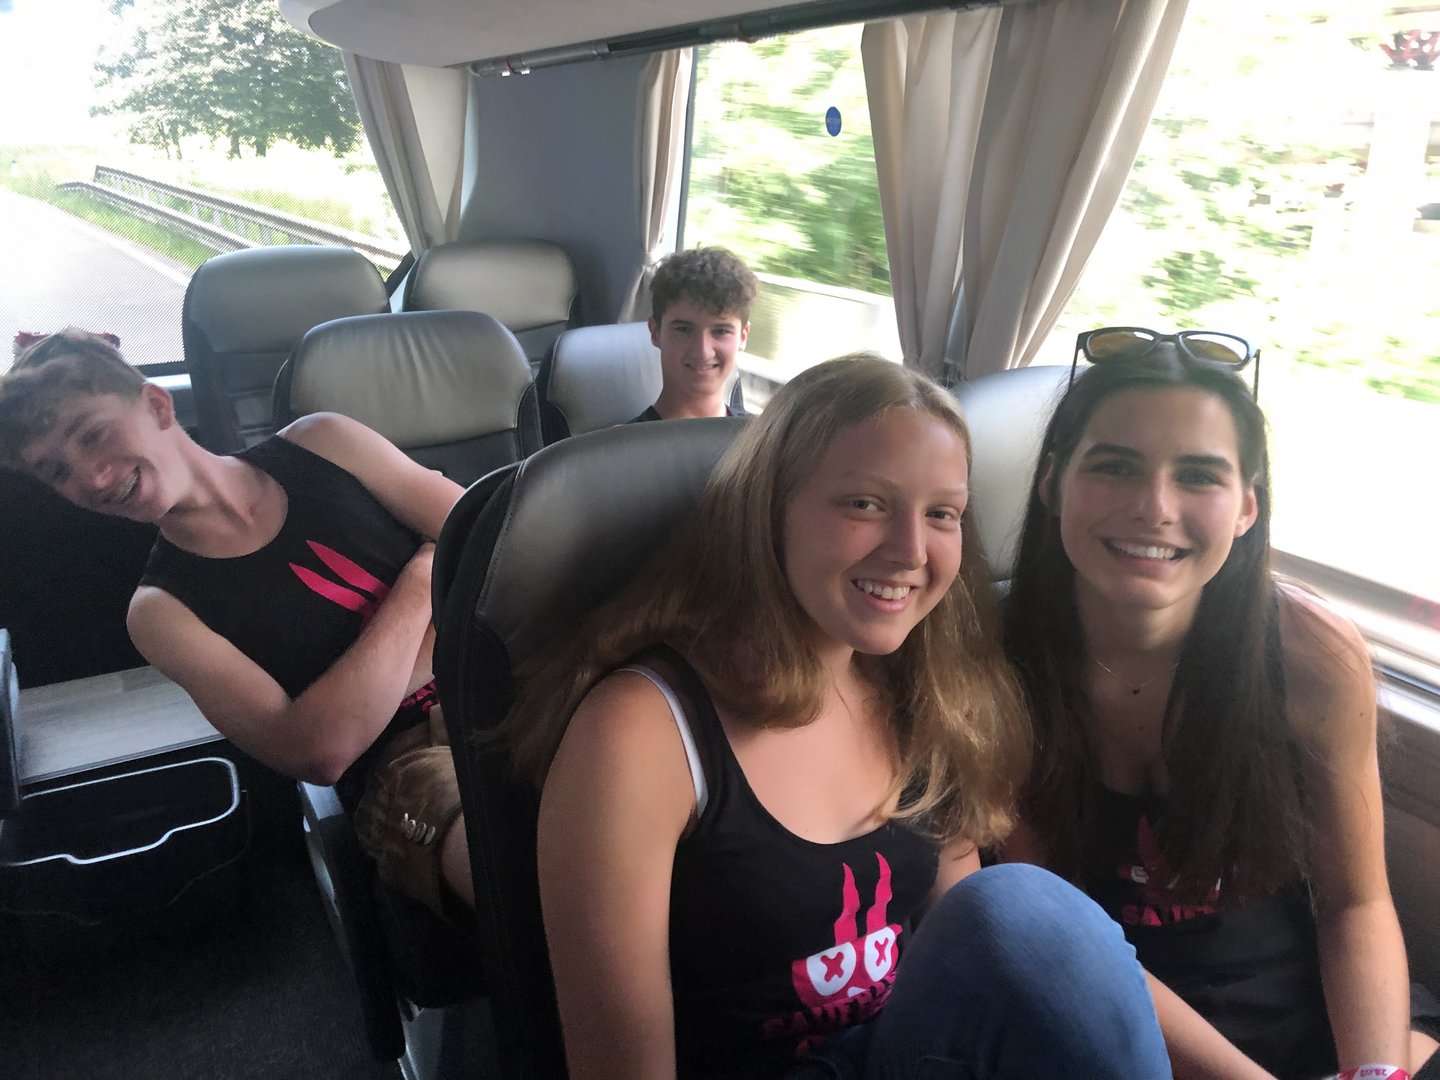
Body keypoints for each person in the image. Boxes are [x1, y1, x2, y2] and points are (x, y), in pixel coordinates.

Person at [507, 354, 1173, 1079]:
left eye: (942, 514)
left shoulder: (925, 697)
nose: (910, 551)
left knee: (1024, 913)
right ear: (772, 508)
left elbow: (974, 942)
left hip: (899, 1053)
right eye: (865, 504)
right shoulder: (641, 731)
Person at [1001, 328, 1440, 1080]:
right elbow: (1056, 939)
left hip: (1319, 1019)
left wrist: (1376, 1073)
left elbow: (1356, 905)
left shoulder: (1311, 655)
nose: (1154, 507)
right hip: (1111, 1027)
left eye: (1199, 476)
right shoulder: (997, 660)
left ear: (1245, 509)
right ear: (1051, 484)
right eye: (1115, 466)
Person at [0, 329, 473, 919]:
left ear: (157, 405)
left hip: (514, 672)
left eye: (93, 435)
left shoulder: (326, 443)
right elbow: (321, 750)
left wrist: (362, 691)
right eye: (57, 473)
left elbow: (491, 543)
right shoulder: (161, 614)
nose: (91, 479)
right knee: (522, 861)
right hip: (407, 764)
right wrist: (422, 578)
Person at [631, 246, 757, 422]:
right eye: (684, 330)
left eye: (720, 331)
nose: (703, 351)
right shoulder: (625, 439)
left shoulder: (762, 436)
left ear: (743, 337)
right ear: (655, 332)